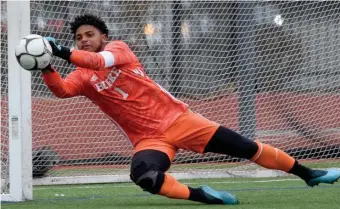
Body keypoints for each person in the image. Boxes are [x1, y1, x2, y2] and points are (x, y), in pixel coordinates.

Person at [41, 14, 340, 205]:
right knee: (144, 175)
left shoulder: (118, 50)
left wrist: (61, 51)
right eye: (79, 37)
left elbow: (96, 61)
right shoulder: (81, 76)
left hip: (180, 120)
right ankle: (203, 195)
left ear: (103, 38)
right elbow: (62, 91)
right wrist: (46, 66)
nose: (84, 40)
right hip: (149, 139)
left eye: (89, 35)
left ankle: (308, 172)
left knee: (246, 148)